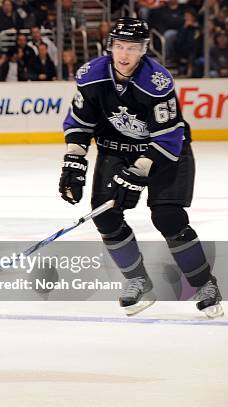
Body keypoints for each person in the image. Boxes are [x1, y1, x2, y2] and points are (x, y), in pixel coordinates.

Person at [58, 17, 223, 318]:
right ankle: (138, 281)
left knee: (168, 216)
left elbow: (169, 135)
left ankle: (205, 285)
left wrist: (139, 172)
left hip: (164, 152)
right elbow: (80, 123)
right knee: (105, 215)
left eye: (132, 48)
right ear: (110, 46)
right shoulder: (91, 75)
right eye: (119, 46)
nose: (124, 55)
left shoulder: (157, 81)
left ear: (144, 49)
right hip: (115, 151)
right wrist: (73, 162)